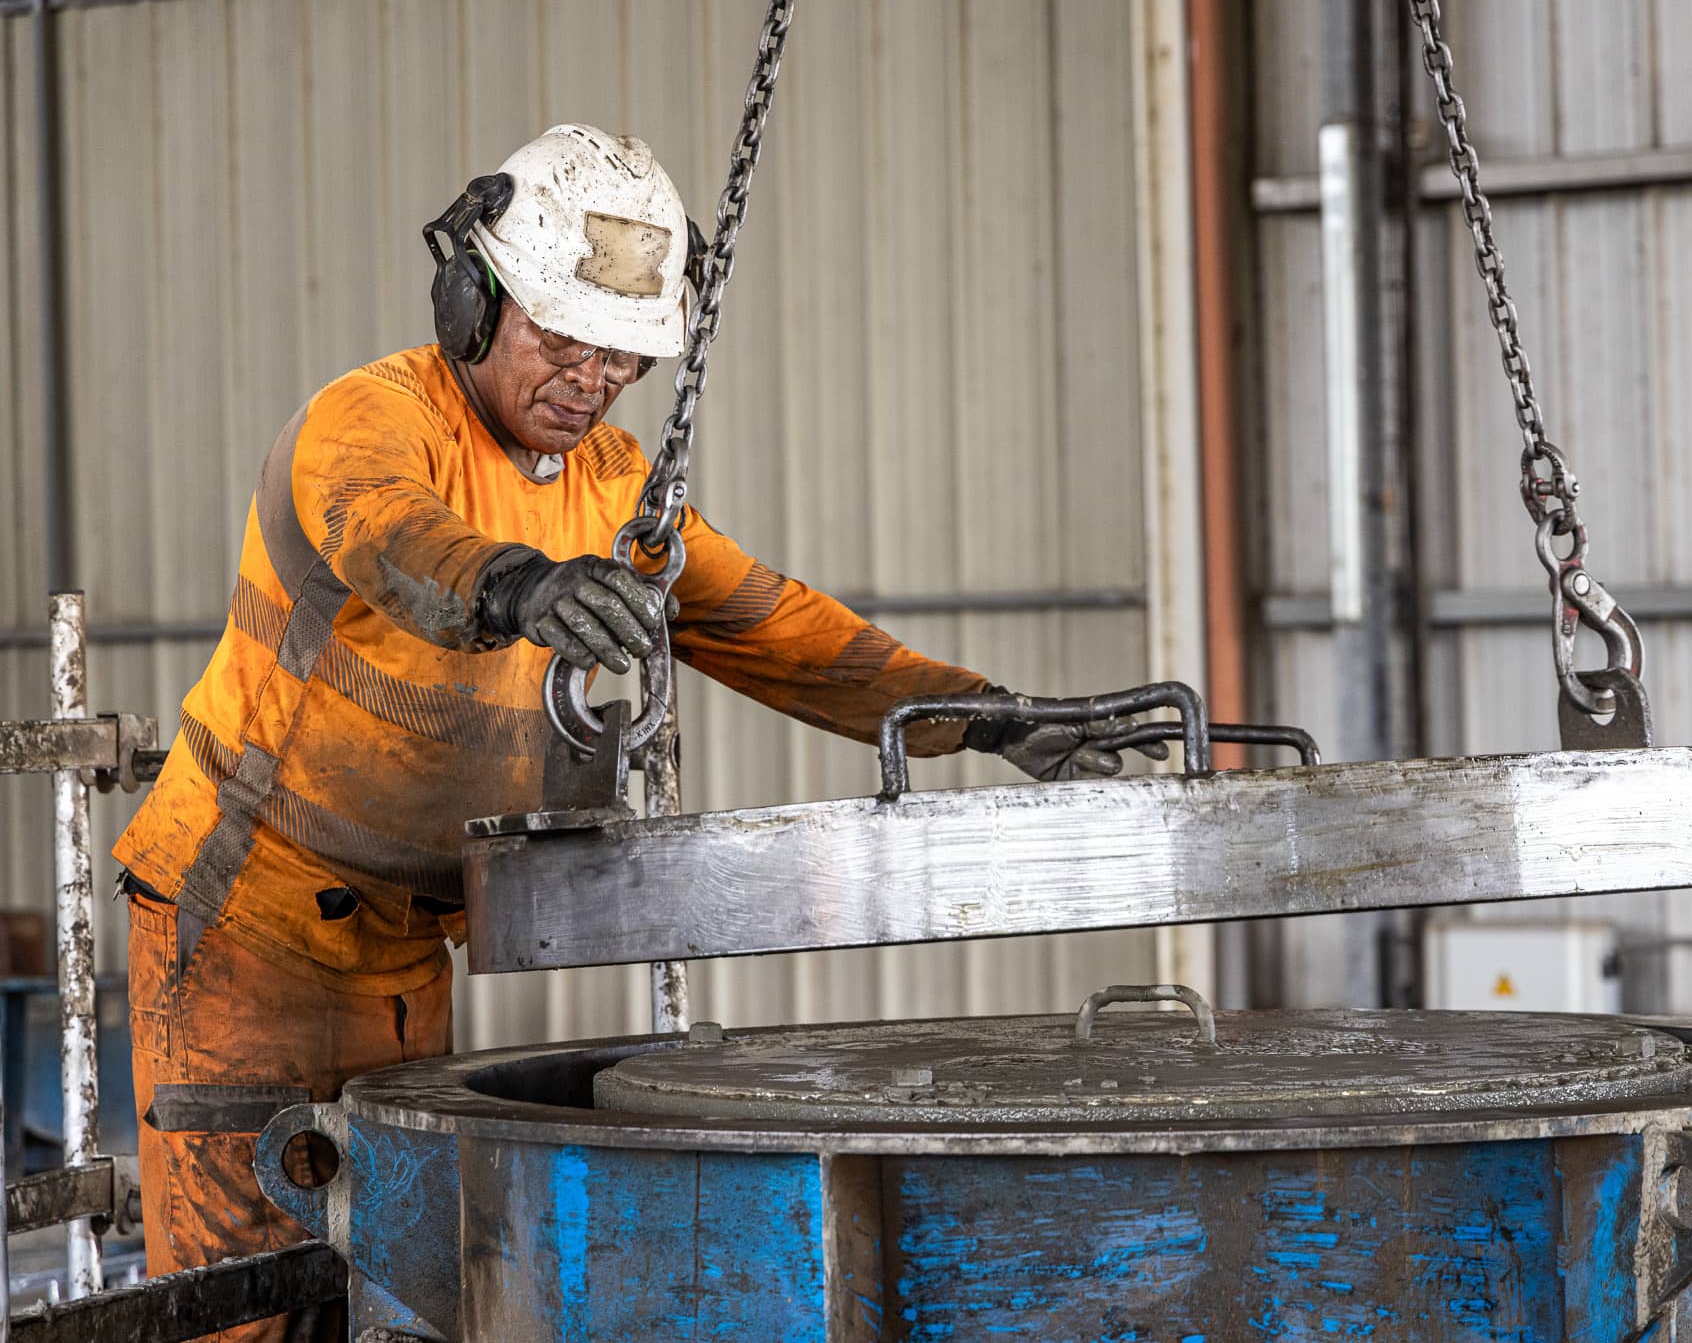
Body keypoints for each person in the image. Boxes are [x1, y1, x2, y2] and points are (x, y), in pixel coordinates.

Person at [109, 123, 1157, 1341]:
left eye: (620, 357)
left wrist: (978, 714)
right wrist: (515, 586)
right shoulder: (373, 417)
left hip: (401, 950)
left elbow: (772, 625)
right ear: (472, 300)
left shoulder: (609, 481)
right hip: (245, 924)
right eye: (561, 337)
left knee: (373, 1282)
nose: (590, 377)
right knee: (250, 1302)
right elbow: (384, 529)